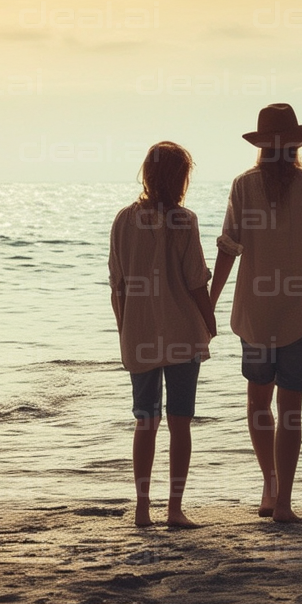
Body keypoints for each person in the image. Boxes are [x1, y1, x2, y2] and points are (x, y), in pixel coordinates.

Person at [210, 103, 302, 524]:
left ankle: (270, 483)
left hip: (256, 312)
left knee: (259, 400)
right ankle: (284, 503)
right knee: (290, 407)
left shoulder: (244, 185)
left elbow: (228, 248)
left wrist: (210, 302)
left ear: (261, 146)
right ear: (296, 144)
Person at [108, 141, 218, 528]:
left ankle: (141, 509)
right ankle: (174, 509)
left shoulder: (123, 219)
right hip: (183, 332)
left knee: (145, 421)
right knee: (180, 422)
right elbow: (194, 283)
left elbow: (116, 285)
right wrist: (211, 321)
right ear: (180, 177)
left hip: (138, 332)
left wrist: (125, 327)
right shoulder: (184, 220)